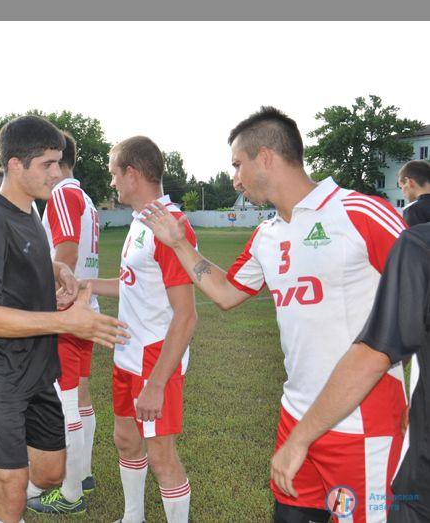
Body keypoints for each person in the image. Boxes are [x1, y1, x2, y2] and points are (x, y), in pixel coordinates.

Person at [140, 106, 407, 523]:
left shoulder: (359, 213)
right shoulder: (268, 234)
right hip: (296, 416)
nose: (234, 177)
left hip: (363, 426)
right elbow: (226, 293)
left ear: (265, 157)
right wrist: (178, 244)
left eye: (236, 164)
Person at [0, 115, 128, 523]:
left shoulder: (30, 213)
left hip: (35, 372)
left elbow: (21, 264)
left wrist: (57, 270)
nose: (57, 173)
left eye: (58, 162)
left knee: (51, 473)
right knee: (13, 491)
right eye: (47, 165)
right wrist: (66, 323)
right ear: (15, 166)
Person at [271, 223, 430, 522]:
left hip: (379, 439)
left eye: (240, 171)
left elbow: (375, 354)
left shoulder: (414, 242)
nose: (238, 181)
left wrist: (299, 439)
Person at [81, 136, 197, 523]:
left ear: (132, 173)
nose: (112, 183)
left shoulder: (170, 225)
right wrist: (89, 286)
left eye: (114, 174)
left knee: (161, 454)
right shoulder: (142, 221)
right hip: (127, 352)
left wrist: (158, 383)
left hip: (153, 356)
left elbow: (186, 316)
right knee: (126, 440)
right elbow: (133, 283)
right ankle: (134, 518)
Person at [27, 132, 102, 515]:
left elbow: (67, 250)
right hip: (87, 306)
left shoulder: (60, 194)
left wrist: (59, 295)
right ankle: (83, 472)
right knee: (81, 394)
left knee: (64, 398)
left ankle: (70, 490)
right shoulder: (84, 197)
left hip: (68, 308)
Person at [398, 160, 430, 226]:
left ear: (409, 182)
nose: (402, 192)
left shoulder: (413, 210)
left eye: (401, 187)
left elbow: (413, 236)